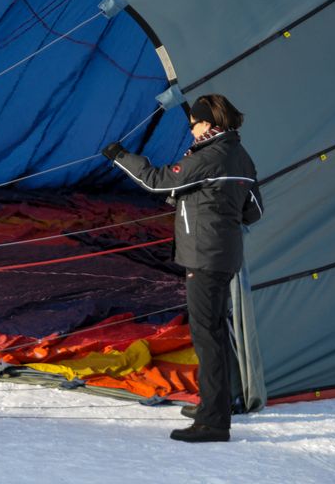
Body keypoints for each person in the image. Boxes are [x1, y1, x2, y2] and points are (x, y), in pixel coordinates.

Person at [102, 94, 263, 443]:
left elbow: (158, 180)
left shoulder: (209, 157)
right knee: (215, 332)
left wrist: (120, 157)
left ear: (210, 124)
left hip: (204, 257)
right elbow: (254, 210)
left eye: (194, 124)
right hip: (224, 254)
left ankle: (214, 422)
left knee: (208, 337)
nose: (191, 131)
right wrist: (217, 209)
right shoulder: (240, 156)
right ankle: (216, 404)